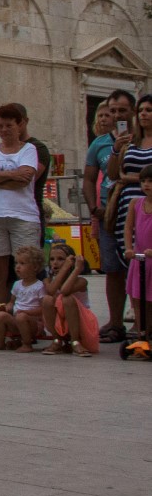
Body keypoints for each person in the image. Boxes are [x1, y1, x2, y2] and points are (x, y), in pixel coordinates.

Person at [0, 103, 44, 313]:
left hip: (23, 216)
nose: (4, 130)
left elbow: (23, 180)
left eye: (8, 125)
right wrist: (11, 174)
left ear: (20, 124)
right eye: (0, 126)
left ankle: (27, 319)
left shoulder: (29, 149)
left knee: (27, 271)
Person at [85, 90, 135, 342]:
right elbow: (89, 178)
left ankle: (142, 322)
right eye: (113, 110)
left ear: (133, 112)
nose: (116, 115)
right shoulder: (100, 143)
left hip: (139, 212)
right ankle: (116, 323)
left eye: (122, 110)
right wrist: (94, 208)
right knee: (113, 269)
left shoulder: (143, 139)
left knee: (139, 267)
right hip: (110, 213)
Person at [105, 94, 152, 336]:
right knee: (133, 264)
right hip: (128, 205)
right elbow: (114, 174)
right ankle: (138, 322)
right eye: (141, 110)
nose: (144, 114)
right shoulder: (130, 142)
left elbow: (125, 176)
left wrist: (132, 178)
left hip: (150, 205)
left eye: (149, 110)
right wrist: (116, 149)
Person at [41, 242, 97, 357]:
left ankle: (75, 341)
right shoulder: (48, 280)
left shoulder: (81, 281)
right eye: (52, 259)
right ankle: (57, 340)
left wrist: (75, 269)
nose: (55, 263)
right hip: (61, 323)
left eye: (61, 259)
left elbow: (65, 291)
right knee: (47, 299)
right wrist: (63, 269)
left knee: (67, 299)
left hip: (81, 326)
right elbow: (51, 291)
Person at [0, 244, 46, 352]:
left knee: (21, 317)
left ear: (35, 267)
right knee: (0, 315)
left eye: (22, 263)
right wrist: (6, 308)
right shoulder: (17, 284)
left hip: (33, 323)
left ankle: (27, 344)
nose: (18, 266)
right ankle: (0, 342)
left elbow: (43, 309)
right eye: (16, 263)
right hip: (17, 319)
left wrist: (26, 312)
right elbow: (11, 302)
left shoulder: (39, 286)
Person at [126, 183, 152, 338]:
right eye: (144, 181)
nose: (146, 184)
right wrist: (129, 248)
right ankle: (142, 334)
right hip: (140, 259)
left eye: (150, 180)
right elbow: (128, 228)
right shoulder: (136, 203)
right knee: (138, 298)